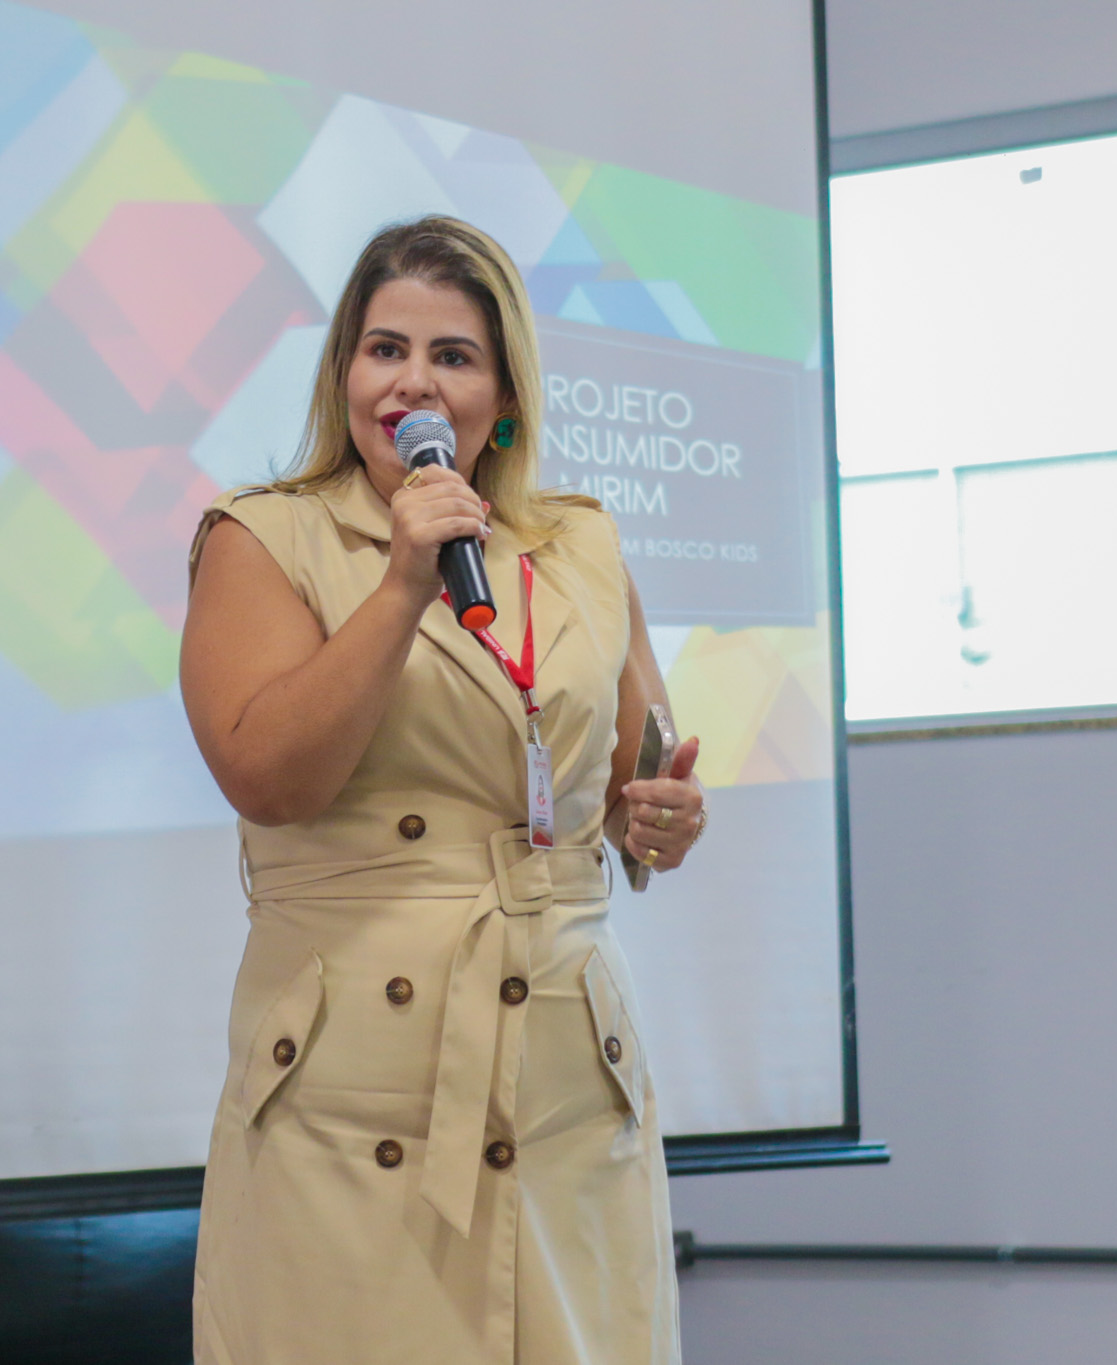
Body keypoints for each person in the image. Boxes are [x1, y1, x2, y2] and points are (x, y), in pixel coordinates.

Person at [181, 215, 706, 1364]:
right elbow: (266, 776)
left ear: (502, 397)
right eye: (385, 350)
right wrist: (399, 587)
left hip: (565, 1087)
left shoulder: (580, 545)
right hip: (352, 1101)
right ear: (344, 374)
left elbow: (637, 781)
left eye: (451, 356)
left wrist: (660, 823)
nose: (412, 381)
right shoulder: (264, 536)